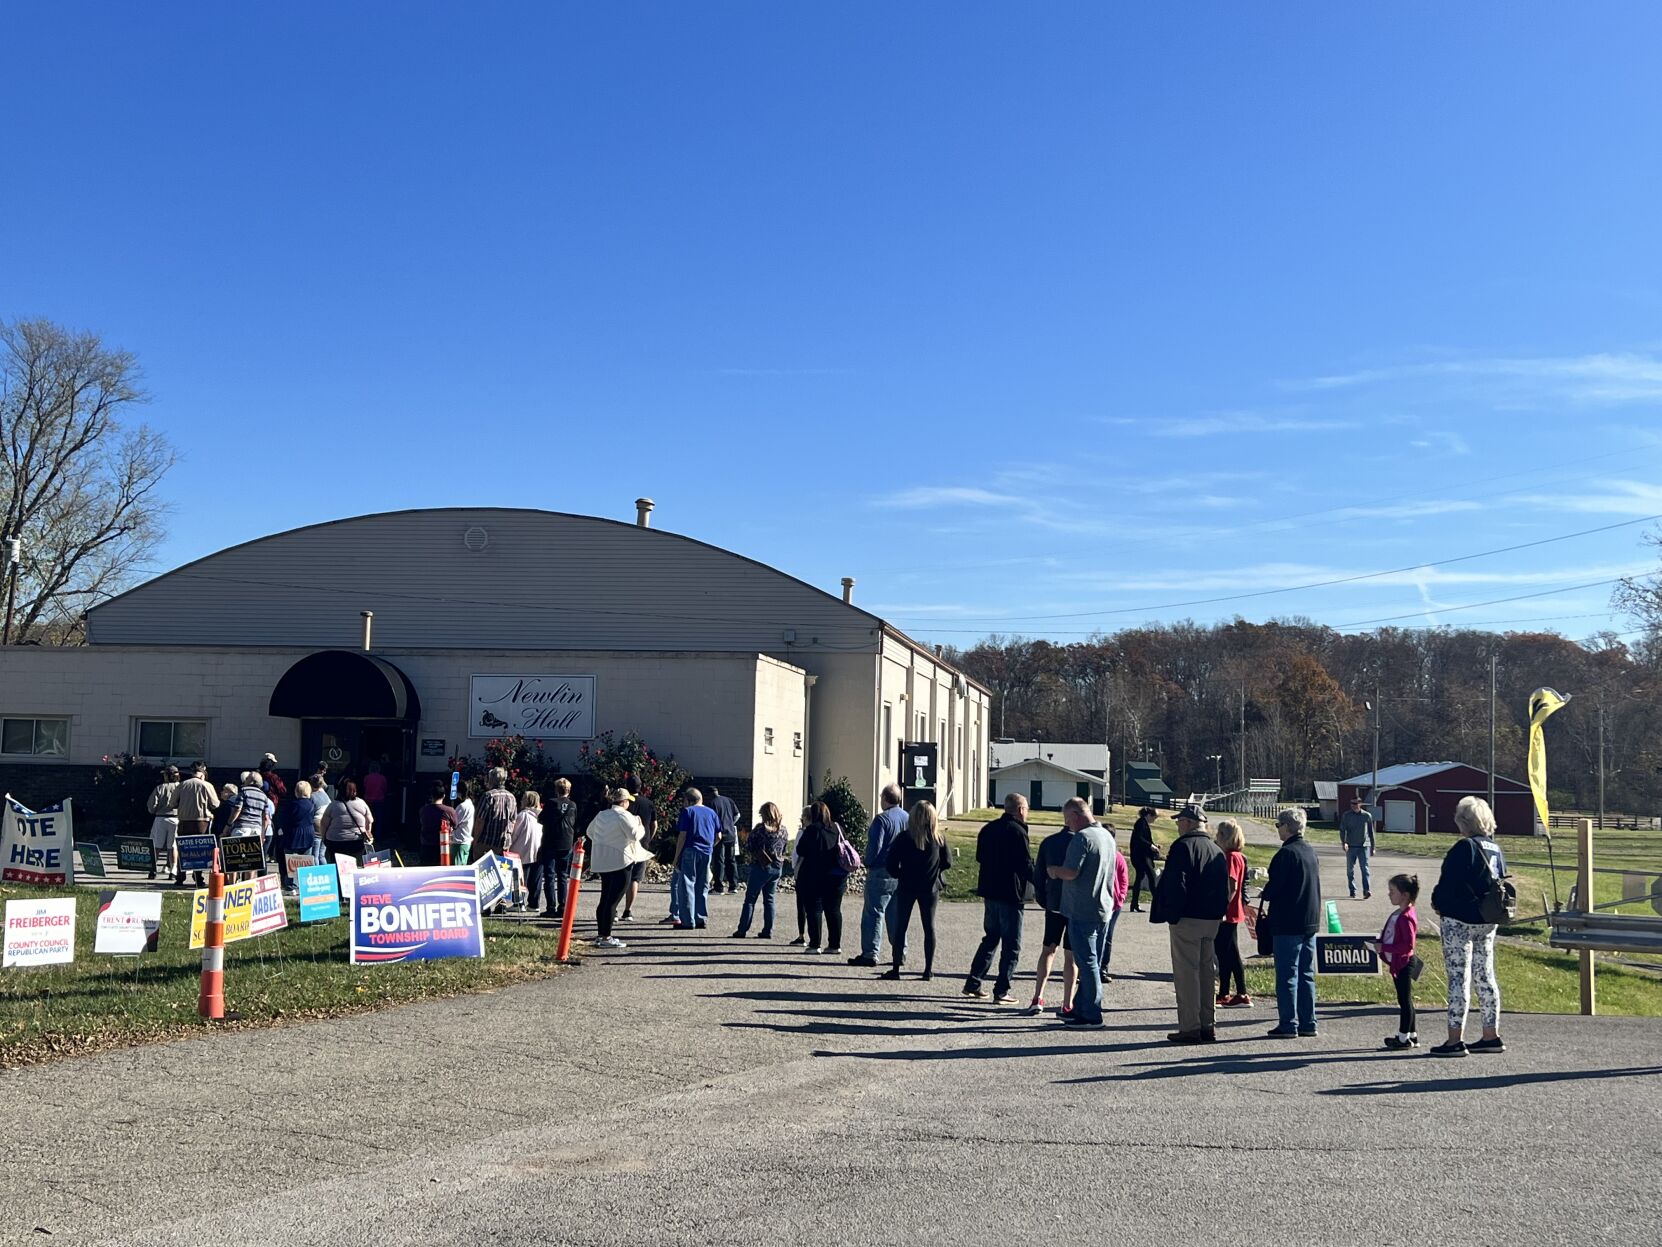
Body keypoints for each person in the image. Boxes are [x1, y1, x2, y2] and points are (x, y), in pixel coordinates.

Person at [1429, 795, 1507, 1057]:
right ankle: (1490, 1033)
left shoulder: (1464, 848)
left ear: (1465, 822)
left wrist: (1437, 902)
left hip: (1459, 920)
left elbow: (1447, 885)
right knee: (1485, 977)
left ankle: (1454, 1038)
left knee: (1458, 978)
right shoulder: (1495, 848)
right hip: (1487, 919)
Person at [1151, 803, 1230, 1044]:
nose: (1177, 825)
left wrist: (1172, 914)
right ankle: (1208, 1024)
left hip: (1188, 918)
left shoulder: (1182, 847)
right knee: (1207, 972)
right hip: (1212, 919)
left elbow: (1177, 884)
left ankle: (1190, 1026)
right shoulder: (1216, 849)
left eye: (1179, 822)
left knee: (1187, 973)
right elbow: (1225, 887)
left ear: (1188, 822)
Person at [1045, 798, 1115, 1028]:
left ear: (1075, 815)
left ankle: (1092, 1013)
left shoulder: (1082, 838)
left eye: (1067, 820)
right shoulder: (1106, 835)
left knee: (1087, 963)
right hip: (1103, 906)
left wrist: (1054, 871)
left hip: (1082, 909)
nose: (1068, 825)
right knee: (1090, 961)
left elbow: (1072, 872)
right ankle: (1080, 1007)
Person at [963, 793, 1033, 1005]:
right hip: (1010, 894)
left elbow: (979, 857)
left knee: (991, 938)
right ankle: (1001, 989)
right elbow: (1025, 865)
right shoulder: (1018, 832)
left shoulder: (988, 829)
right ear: (1020, 809)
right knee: (1011, 945)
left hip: (990, 891)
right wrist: (1043, 883)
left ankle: (974, 981)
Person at [1260, 807, 1322, 1039]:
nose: (1278, 829)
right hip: (1309, 921)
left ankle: (1288, 1023)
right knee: (1306, 973)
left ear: (1287, 827)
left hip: (1288, 922)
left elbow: (1275, 889)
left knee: (1287, 974)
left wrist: (1265, 892)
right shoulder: (1310, 851)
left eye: (1278, 825)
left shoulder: (1286, 854)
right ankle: (1309, 1021)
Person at [881, 801, 952, 981]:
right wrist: (936, 872)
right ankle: (928, 969)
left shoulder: (904, 838)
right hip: (930, 887)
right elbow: (948, 862)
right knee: (929, 928)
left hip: (907, 886)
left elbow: (890, 863)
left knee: (901, 927)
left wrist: (900, 874)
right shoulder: (939, 839)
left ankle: (896, 968)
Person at [1025, 805, 1080, 1015]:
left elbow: (1038, 876)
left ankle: (1038, 995)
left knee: (1048, 949)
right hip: (1074, 906)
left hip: (1054, 904)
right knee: (1071, 956)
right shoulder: (1082, 842)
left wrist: (1045, 900)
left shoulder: (1049, 843)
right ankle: (1067, 1002)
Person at [586, 788, 651, 950]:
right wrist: (640, 825)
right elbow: (635, 835)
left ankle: (601, 935)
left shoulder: (602, 814)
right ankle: (606, 936)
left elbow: (589, 832)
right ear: (624, 802)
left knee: (605, 899)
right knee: (613, 901)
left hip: (602, 861)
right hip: (621, 861)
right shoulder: (624, 815)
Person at [851, 785, 909, 967]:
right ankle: (900, 951)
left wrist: (867, 862)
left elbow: (875, 847)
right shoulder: (907, 818)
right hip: (901, 871)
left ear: (885, 798)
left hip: (881, 870)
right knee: (896, 914)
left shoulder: (881, 820)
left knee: (874, 912)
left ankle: (870, 953)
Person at [793, 801, 849, 954]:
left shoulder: (812, 830)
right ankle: (834, 945)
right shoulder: (838, 828)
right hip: (837, 875)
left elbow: (801, 850)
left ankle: (815, 943)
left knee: (814, 909)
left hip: (814, 875)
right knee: (834, 910)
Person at [1374, 873, 1421, 1051]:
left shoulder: (1406, 916)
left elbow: (1408, 945)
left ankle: (1403, 1038)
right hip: (1399, 962)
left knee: (1404, 1001)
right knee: (1406, 999)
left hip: (1403, 962)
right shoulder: (1400, 913)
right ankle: (1412, 1035)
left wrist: (1384, 948)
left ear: (1405, 895)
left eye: (1392, 891)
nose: (1389, 894)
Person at [732, 803, 787, 938]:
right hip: (777, 867)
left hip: (761, 867)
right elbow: (784, 849)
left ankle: (742, 929)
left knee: (750, 899)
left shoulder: (760, 829)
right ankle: (768, 930)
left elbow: (749, 845)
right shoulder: (783, 830)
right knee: (769, 899)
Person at [1213, 818, 1251, 1008]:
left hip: (1228, 912)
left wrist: (1222, 907)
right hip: (1232, 911)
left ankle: (1242, 992)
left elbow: (1232, 884)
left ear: (1224, 837)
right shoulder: (1237, 856)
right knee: (1224, 952)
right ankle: (1224, 991)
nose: (1216, 837)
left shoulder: (1230, 857)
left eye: (1218, 834)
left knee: (1230, 952)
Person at [671, 788, 720, 930]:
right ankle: (700, 917)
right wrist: (710, 846)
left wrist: (676, 857)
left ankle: (687, 920)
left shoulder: (688, 812)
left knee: (687, 885)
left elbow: (683, 835)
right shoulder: (712, 813)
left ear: (688, 800)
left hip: (690, 850)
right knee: (702, 885)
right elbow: (719, 836)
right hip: (707, 851)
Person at [169, 761, 219, 886]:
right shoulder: (207, 785)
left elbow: (172, 803)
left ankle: (180, 877)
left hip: (183, 821)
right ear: (202, 773)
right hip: (201, 822)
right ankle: (198, 878)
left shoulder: (182, 785)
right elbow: (216, 804)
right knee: (199, 851)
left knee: (183, 849)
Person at [224, 770, 276, 880]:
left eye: (247, 778)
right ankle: (248, 886)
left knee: (234, 860)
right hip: (256, 830)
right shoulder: (264, 796)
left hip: (241, 827)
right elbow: (265, 818)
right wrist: (262, 835)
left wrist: (228, 825)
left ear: (252, 781)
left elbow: (237, 810)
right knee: (251, 862)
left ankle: (232, 886)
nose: (245, 780)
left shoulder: (243, 791)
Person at [540, 778, 579, 919]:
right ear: (569, 790)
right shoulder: (573, 805)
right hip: (566, 841)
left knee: (549, 874)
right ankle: (562, 906)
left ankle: (551, 906)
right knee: (563, 875)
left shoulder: (551, 803)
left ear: (557, 790)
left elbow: (541, 819)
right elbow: (575, 822)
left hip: (551, 841)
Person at [1099, 829, 1131, 983]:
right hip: (1097, 901)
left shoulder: (1118, 857)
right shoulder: (1097, 854)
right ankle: (1089, 967)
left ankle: (1103, 967)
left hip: (1113, 903)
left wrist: (1121, 897)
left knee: (1107, 936)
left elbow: (1124, 879)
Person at [275, 781, 317, 892]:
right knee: (306, 859)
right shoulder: (312, 804)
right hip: (308, 833)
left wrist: (282, 829)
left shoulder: (291, 805)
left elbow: (284, 820)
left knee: (290, 860)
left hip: (292, 834)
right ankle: (305, 883)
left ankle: (290, 884)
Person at [623, 781, 656, 922]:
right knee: (635, 879)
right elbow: (654, 824)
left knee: (622, 877)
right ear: (641, 787)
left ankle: (613, 909)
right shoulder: (648, 803)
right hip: (642, 845)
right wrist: (648, 838)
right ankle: (628, 910)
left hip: (625, 844)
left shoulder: (623, 803)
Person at [321, 779, 375, 864]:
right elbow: (369, 821)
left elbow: (324, 824)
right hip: (356, 841)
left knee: (337, 865)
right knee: (355, 865)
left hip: (335, 841)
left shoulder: (333, 805)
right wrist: (367, 833)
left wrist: (324, 838)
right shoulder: (362, 803)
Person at [507, 790, 544, 911]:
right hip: (538, 849)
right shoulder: (541, 815)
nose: (521, 800)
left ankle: (518, 903)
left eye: (523, 798)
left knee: (520, 877)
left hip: (522, 850)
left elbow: (515, 833)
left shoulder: (523, 815)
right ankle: (534, 904)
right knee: (536, 878)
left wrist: (508, 844)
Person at [146, 765, 181, 881]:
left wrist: (155, 809)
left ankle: (152, 870)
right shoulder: (181, 787)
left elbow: (151, 806)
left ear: (167, 775)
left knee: (157, 845)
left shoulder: (160, 788)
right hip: (176, 818)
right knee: (173, 846)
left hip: (161, 818)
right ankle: (174, 870)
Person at [1340, 794, 1376, 900]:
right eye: (1352, 803)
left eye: (1356, 803)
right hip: (1351, 846)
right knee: (1350, 870)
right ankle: (1352, 890)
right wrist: (1344, 842)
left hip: (1364, 846)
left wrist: (1373, 847)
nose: (1354, 805)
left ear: (1360, 804)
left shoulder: (1367, 816)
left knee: (1364, 868)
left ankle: (1367, 890)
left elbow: (1371, 832)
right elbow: (1343, 830)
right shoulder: (1346, 815)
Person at [475, 768, 517, 860]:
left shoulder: (488, 796)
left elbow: (480, 821)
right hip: (503, 844)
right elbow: (513, 821)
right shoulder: (511, 797)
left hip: (486, 842)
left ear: (491, 779)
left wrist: (475, 841)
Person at [708, 786, 741, 894]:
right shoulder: (728, 800)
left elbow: (712, 820)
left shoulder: (712, 803)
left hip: (720, 834)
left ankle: (719, 887)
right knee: (731, 860)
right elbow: (737, 814)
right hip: (731, 834)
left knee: (719, 861)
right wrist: (730, 824)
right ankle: (733, 886)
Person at [1128, 806, 1161, 912]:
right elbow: (1139, 839)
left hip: (1142, 856)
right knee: (1152, 877)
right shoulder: (1141, 823)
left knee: (1139, 879)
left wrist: (1154, 845)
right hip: (1141, 857)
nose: (1154, 820)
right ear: (1149, 815)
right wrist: (1151, 846)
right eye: (1154, 817)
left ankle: (1134, 903)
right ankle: (1157, 903)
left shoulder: (1143, 823)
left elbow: (1145, 839)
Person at [418, 783, 458, 868]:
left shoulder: (423, 810)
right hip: (443, 848)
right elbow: (455, 825)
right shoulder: (449, 811)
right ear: (444, 796)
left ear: (431, 795)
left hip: (426, 845)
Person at [450, 778, 475, 866]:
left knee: (456, 869)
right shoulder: (470, 804)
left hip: (459, 842)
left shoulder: (462, 806)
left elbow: (454, 823)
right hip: (465, 841)